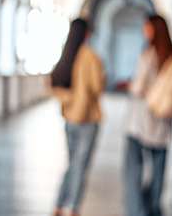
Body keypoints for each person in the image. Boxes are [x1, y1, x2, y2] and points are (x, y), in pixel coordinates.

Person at [123, 14, 172, 216]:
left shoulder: (149, 53)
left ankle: (137, 209)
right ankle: (154, 207)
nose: (144, 31)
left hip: (141, 121)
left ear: (155, 30)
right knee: (158, 168)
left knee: (133, 168)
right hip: (162, 120)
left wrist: (129, 84)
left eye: (147, 28)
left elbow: (139, 86)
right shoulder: (171, 56)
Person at [50, 18, 104, 216]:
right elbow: (97, 87)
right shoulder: (90, 57)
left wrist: (69, 99)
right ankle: (74, 207)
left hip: (70, 117)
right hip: (88, 119)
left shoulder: (66, 54)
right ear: (87, 33)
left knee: (72, 163)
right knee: (80, 165)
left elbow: (53, 83)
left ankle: (58, 204)